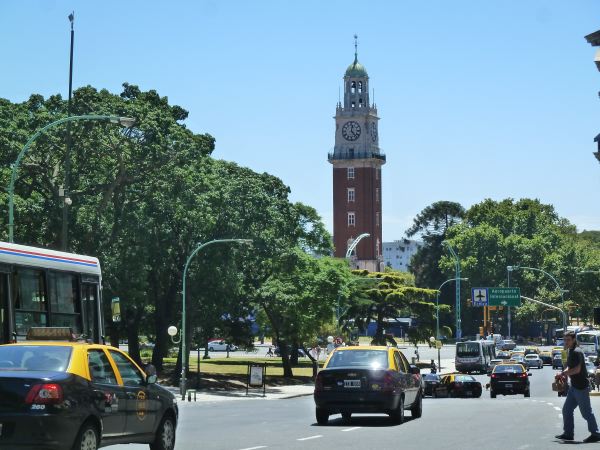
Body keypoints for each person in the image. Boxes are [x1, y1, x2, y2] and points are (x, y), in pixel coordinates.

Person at [555, 331, 600, 443]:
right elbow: (570, 367)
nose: (566, 342)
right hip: (574, 386)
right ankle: (568, 434)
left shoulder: (576, 351)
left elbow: (577, 370)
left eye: (568, 340)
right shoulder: (571, 351)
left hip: (581, 386)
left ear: (574, 339)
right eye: (564, 340)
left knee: (586, 412)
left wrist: (564, 374)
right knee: (567, 410)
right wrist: (562, 373)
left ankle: (596, 433)